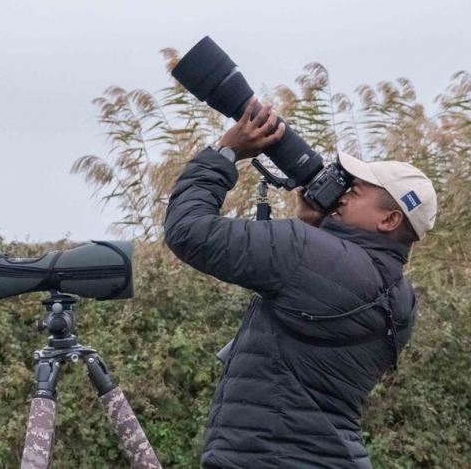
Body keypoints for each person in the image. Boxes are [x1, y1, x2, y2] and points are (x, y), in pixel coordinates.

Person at [164, 98, 437, 469]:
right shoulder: (400, 296)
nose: (339, 196)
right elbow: (307, 332)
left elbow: (188, 231)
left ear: (389, 220)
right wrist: (315, 226)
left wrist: (224, 152)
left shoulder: (306, 253)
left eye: (354, 192)